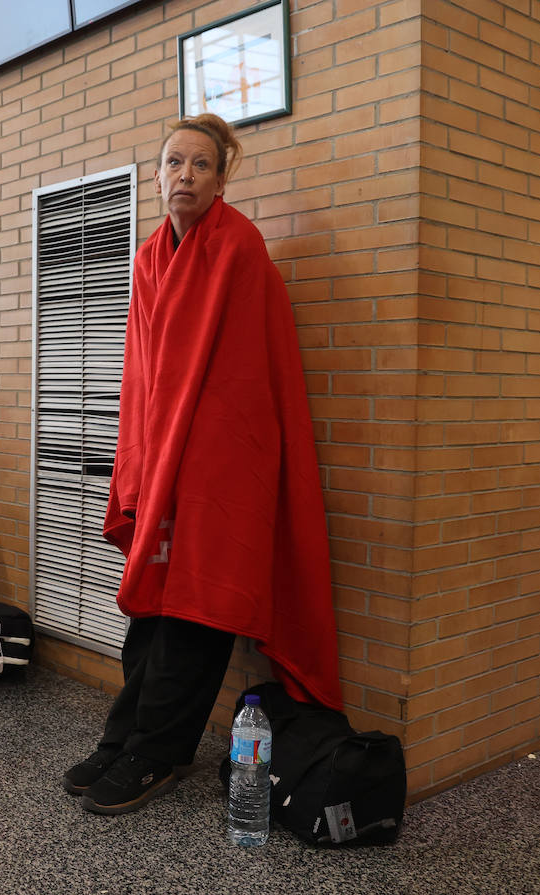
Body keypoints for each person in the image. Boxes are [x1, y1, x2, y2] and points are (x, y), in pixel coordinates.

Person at [61, 114, 343, 816]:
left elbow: (243, 380)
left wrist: (193, 462)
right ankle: (125, 736)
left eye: (200, 165)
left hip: (222, 464)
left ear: (222, 178)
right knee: (150, 612)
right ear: (156, 177)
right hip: (164, 460)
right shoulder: (150, 255)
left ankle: (160, 751)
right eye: (172, 163)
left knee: (196, 609)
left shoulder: (238, 246)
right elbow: (144, 376)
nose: (184, 174)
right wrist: (138, 468)